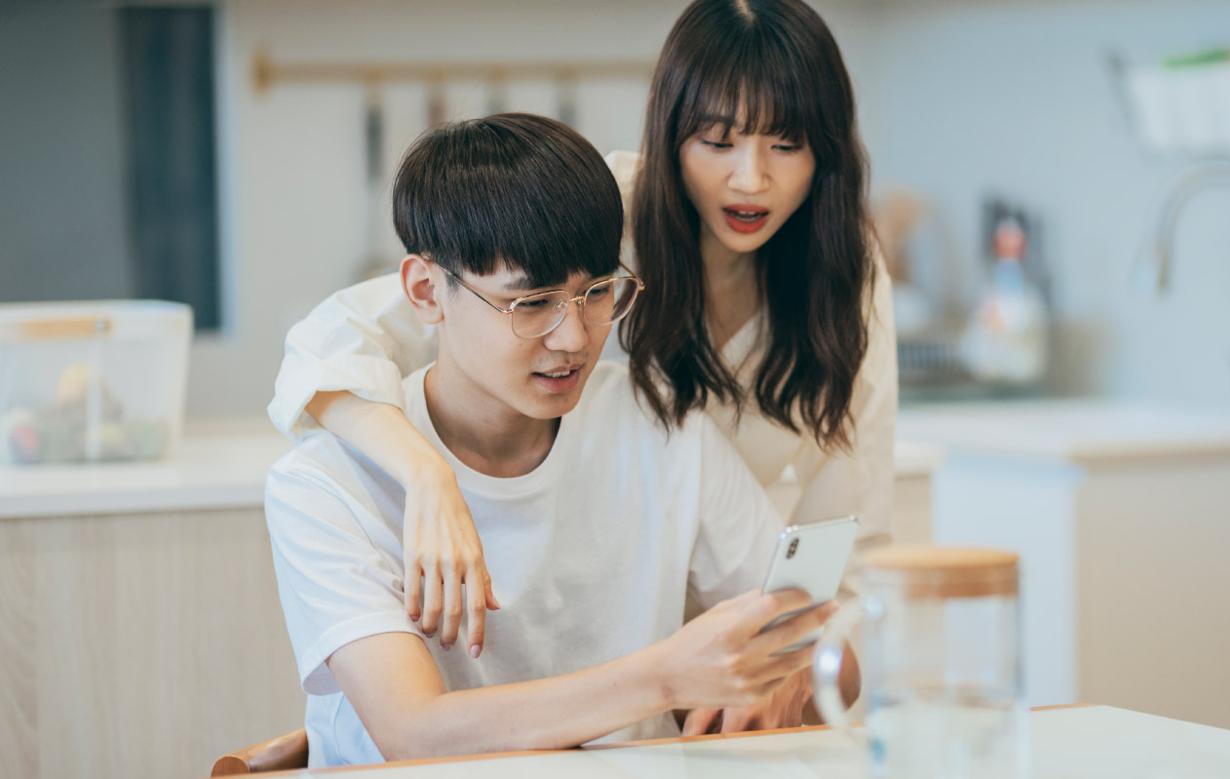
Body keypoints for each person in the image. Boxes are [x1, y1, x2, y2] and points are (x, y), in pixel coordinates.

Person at [268, 1, 896, 726]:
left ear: (827, 153)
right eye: (717, 142)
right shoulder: (592, 219)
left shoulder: (832, 288)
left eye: (786, 145)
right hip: (630, 672)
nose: (750, 180)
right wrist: (426, 474)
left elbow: (843, 547)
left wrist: (794, 658)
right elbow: (333, 345)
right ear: (670, 136)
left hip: (698, 649)